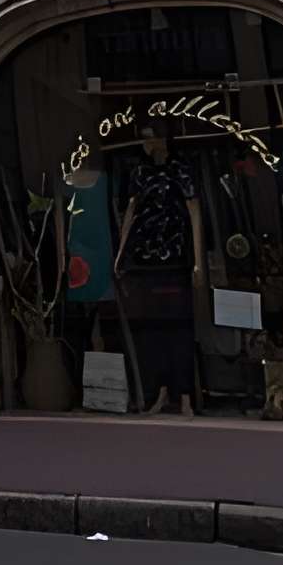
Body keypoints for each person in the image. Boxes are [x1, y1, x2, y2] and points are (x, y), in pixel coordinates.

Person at [115, 124, 204, 414]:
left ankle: (186, 394)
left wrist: (198, 260)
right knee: (153, 329)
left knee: (180, 326)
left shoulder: (181, 168)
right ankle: (161, 391)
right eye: (144, 138)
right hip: (144, 259)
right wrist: (121, 253)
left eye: (152, 137)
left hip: (175, 256)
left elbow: (194, 211)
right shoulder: (139, 173)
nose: (148, 144)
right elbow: (131, 210)